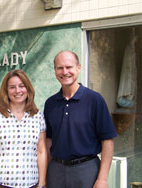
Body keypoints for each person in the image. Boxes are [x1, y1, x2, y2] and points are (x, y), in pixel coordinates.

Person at [44, 50, 117, 188]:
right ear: (55, 71)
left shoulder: (95, 100)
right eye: (60, 68)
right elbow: (49, 141)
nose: (65, 72)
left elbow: (107, 140)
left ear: (78, 68)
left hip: (86, 170)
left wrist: (102, 179)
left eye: (69, 67)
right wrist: (45, 175)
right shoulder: (50, 103)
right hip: (56, 172)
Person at [0, 69, 47, 188]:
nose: (17, 91)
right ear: (6, 91)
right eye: (12, 87)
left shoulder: (38, 116)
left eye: (22, 86)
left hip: (30, 184)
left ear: (28, 89)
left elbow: (41, 152)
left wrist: (41, 183)